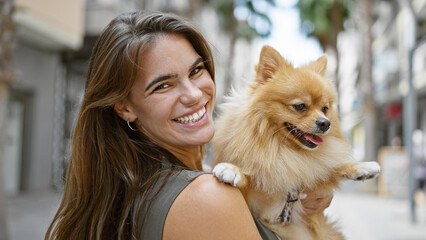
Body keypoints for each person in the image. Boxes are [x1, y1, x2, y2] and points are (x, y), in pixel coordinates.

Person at [45, 10, 333, 240]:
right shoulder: (207, 197)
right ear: (125, 107)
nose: (194, 94)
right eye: (163, 85)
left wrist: (294, 203)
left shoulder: (140, 185)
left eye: (196, 70)